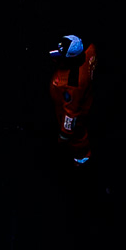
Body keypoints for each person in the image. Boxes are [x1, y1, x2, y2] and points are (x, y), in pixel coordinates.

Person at [45, 33, 97, 163]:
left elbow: (71, 114)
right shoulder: (90, 50)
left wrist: (65, 134)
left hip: (77, 109)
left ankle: (82, 158)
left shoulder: (72, 84)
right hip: (87, 96)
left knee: (77, 136)